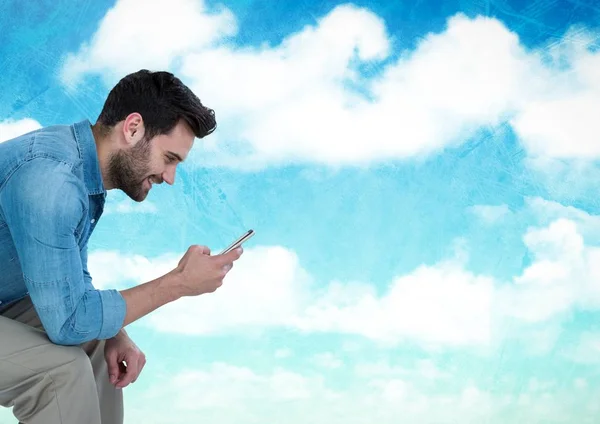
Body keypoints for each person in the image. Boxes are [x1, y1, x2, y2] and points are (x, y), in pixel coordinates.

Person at [0, 69, 244, 424]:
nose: (170, 177)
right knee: (60, 371)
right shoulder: (51, 182)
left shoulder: (82, 175)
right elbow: (68, 322)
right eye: (170, 158)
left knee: (101, 347)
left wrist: (115, 330)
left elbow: (71, 283)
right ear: (132, 129)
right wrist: (177, 283)